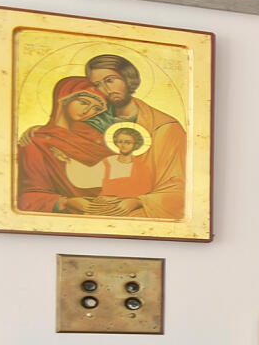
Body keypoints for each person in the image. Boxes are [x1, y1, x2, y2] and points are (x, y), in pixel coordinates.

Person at [77, 54, 185, 220]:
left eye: (110, 80)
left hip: (140, 213)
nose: (105, 89)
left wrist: (138, 201)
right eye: (97, 84)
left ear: (128, 78)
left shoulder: (164, 127)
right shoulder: (91, 122)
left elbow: (181, 189)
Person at [12, 79, 124, 214]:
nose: (88, 111)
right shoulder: (35, 143)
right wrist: (65, 202)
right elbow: (28, 197)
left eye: (96, 108)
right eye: (83, 103)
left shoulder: (96, 137)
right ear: (63, 99)